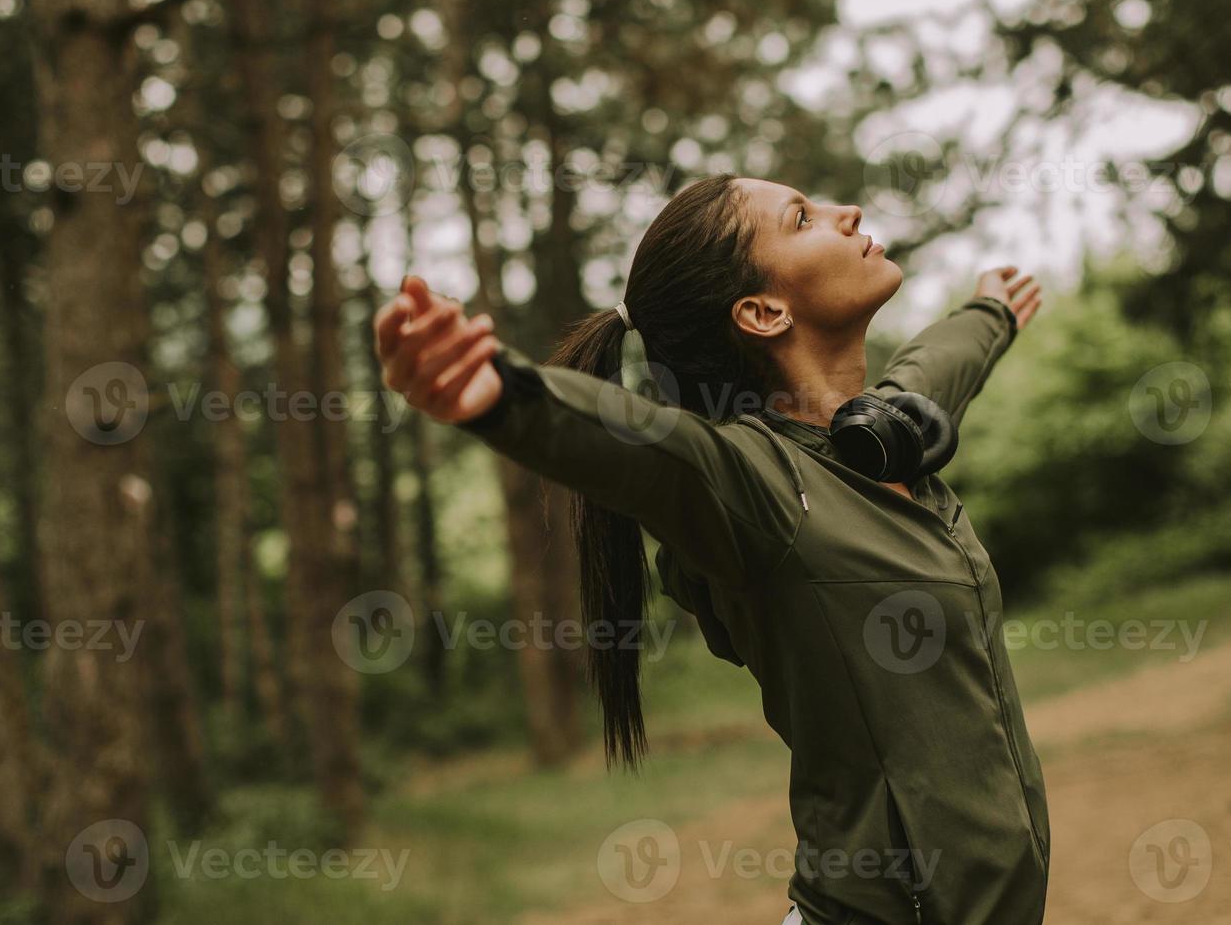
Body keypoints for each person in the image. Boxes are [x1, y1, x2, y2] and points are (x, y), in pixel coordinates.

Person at [374, 174, 1046, 925]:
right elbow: (642, 446)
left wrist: (991, 309)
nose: (845, 209)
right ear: (763, 312)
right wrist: (502, 396)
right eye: (802, 216)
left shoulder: (880, 441)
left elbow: (935, 368)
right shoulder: (757, 486)